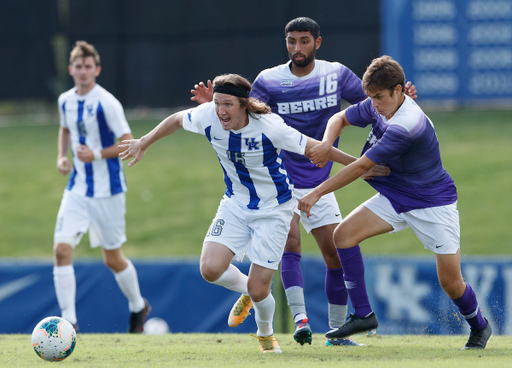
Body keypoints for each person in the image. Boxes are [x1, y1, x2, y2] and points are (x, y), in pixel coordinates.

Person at [190, 17, 416, 347]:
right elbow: (243, 109)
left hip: (320, 177)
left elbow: (370, 103)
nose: (298, 48)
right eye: (292, 41)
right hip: (280, 181)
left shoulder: (335, 74)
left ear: (317, 43)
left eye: (304, 41)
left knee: (334, 253)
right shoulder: (269, 79)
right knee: (291, 244)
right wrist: (216, 105)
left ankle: (337, 334)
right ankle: (299, 321)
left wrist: (400, 100)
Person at [118, 73, 374, 353]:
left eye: (227, 104)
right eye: (217, 103)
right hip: (235, 204)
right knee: (210, 269)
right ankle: (247, 292)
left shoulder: (269, 127)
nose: (220, 111)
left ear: (243, 104)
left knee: (259, 288)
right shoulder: (209, 116)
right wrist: (145, 140)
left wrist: (362, 166)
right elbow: (177, 119)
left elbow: (318, 149)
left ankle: (265, 335)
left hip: (275, 211)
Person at [298, 55, 492, 350]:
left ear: (398, 90)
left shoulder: (407, 124)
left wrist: (316, 192)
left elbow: (362, 167)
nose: (374, 104)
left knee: (451, 283)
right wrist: (326, 143)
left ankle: (480, 327)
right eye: (370, 97)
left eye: (378, 97)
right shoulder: (381, 105)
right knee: (343, 236)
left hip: (431, 203)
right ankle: (363, 314)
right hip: (396, 195)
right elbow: (340, 117)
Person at [53, 41, 150, 333]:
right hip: (77, 189)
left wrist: (95, 154)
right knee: (60, 250)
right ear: (70, 70)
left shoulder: (106, 102)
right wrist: (61, 156)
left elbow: (127, 142)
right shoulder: (65, 100)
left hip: (108, 191)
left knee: (113, 258)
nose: (82, 72)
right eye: (78, 67)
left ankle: (137, 306)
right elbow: (65, 128)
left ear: (97, 70)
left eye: (87, 67)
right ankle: (68, 322)